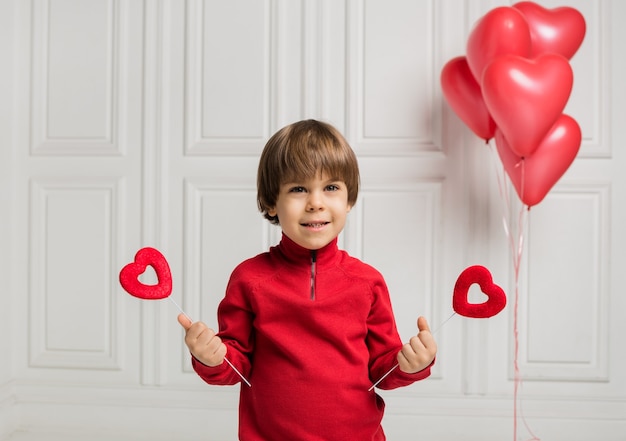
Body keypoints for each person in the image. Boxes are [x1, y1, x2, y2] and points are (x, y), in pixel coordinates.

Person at [178, 119, 437, 440]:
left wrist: (411, 364)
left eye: (330, 188)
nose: (316, 202)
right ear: (272, 201)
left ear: (349, 199)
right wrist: (212, 357)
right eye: (298, 189)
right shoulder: (249, 279)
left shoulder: (368, 282)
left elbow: (381, 371)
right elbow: (236, 364)